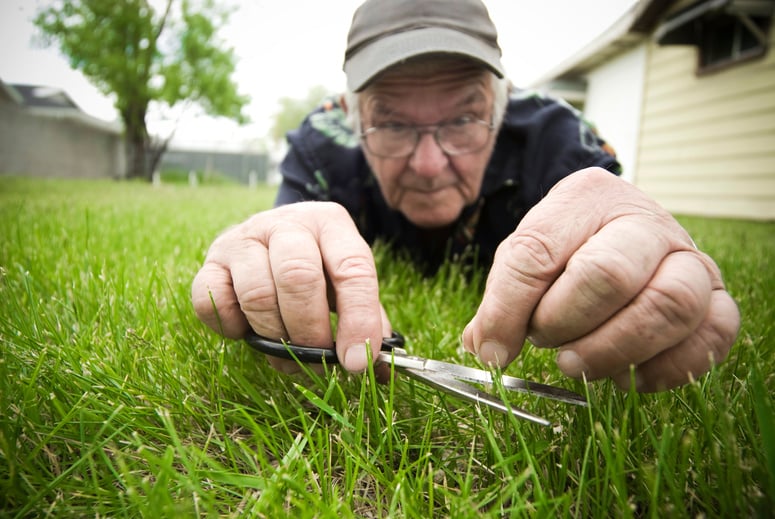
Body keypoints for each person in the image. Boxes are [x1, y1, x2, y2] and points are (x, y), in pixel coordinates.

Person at [191, 0, 740, 392]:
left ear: (502, 108)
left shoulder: (558, 139)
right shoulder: (321, 142)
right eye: (392, 124)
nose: (429, 166)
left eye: (463, 118)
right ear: (352, 115)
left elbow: (620, 221)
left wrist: (648, 257)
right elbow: (279, 231)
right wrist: (264, 250)